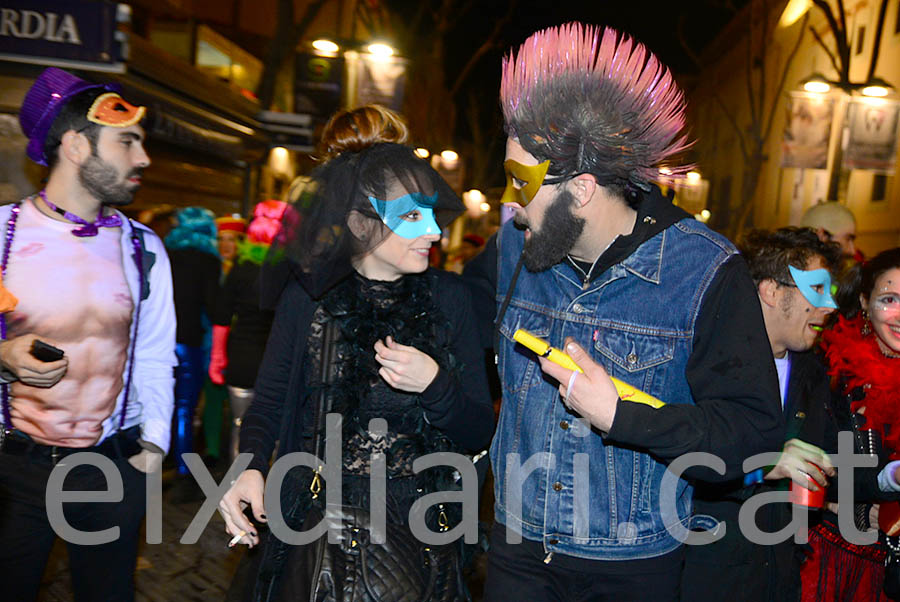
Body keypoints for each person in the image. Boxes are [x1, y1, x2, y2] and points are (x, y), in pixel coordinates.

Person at [463, 23, 783, 600]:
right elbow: (451, 326)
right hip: (516, 554)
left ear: (581, 188)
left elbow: (752, 437)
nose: (508, 199)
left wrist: (624, 417)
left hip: (628, 568)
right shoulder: (515, 248)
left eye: (519, 181)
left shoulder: (704, 272)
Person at [218, 142, 494, 601]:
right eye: (410, 217)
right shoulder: (309, 299)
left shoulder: (451, 300)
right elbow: (269, 402)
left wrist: (436, 386)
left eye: (430, 214)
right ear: (360, 223)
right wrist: (247, 468)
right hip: (313, 527)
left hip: (418, 536)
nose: (433, 232)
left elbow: (479, 428)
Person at [0, 67, 176, 600]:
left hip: (109, 470)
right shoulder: (3, 236)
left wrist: (151, 451)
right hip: (13, 469)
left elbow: (153, 356)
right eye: (127, 142)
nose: (143, 159)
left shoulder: (142, 247)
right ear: (76, 146)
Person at [680, 227, 842, 601]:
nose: (830, 305)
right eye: (817, 290)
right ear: (771, 291)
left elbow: (832, 464)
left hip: (779, 578)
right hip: (707, 577)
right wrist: (762, 464)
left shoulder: (814, 375)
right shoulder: (706, 364)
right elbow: (682, 460)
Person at [800, 247, 900, 602]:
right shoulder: (827, 371)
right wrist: (862, 506)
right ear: (863, 301)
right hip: (831, 564)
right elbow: (810, 460)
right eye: (889, 299)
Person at [208, 201, 286, 462]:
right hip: (276, 364)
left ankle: (236, 494)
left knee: (241, 427)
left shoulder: (241, 267)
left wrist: (217, 359)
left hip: (241, 359)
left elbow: (221, 318)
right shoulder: (289, 270)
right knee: (273, 433)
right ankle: (268, 495)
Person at [164, 206, 221, 476]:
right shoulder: (208, 261)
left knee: (162, 403)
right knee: (186, 407)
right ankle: (184, 468)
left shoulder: (166, 255)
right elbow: (214, 306)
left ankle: (161, 456)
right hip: (189, 342)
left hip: (161, 341)